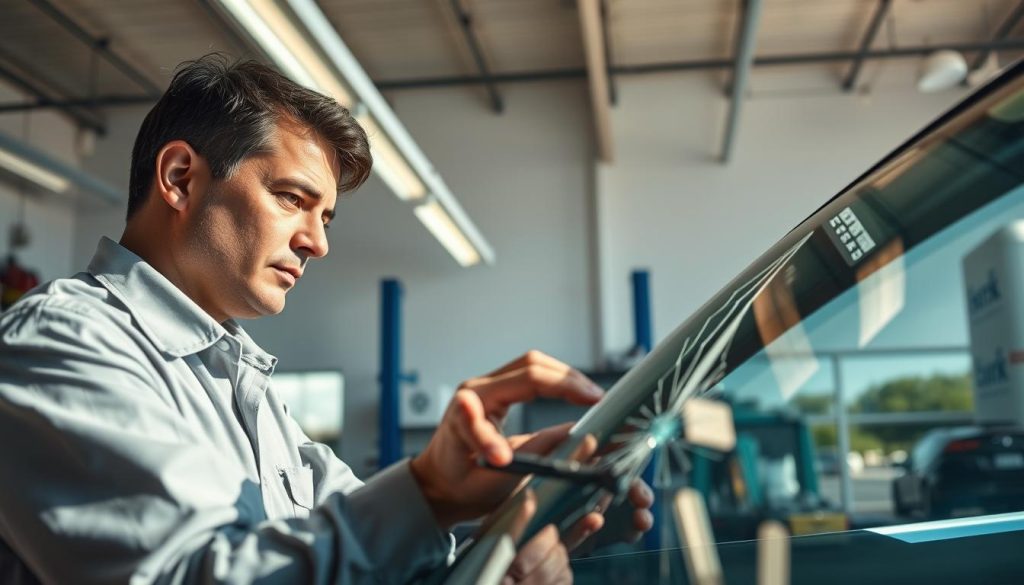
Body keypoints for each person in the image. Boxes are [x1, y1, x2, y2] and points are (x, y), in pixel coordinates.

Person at [0, 55, 652, 584]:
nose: (318, 242)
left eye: (326, 216)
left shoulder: (243, 385)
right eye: (292, 199)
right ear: (179, 178)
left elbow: (346, 559)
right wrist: (429, 494)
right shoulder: (59, 343)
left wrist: (501, 546)